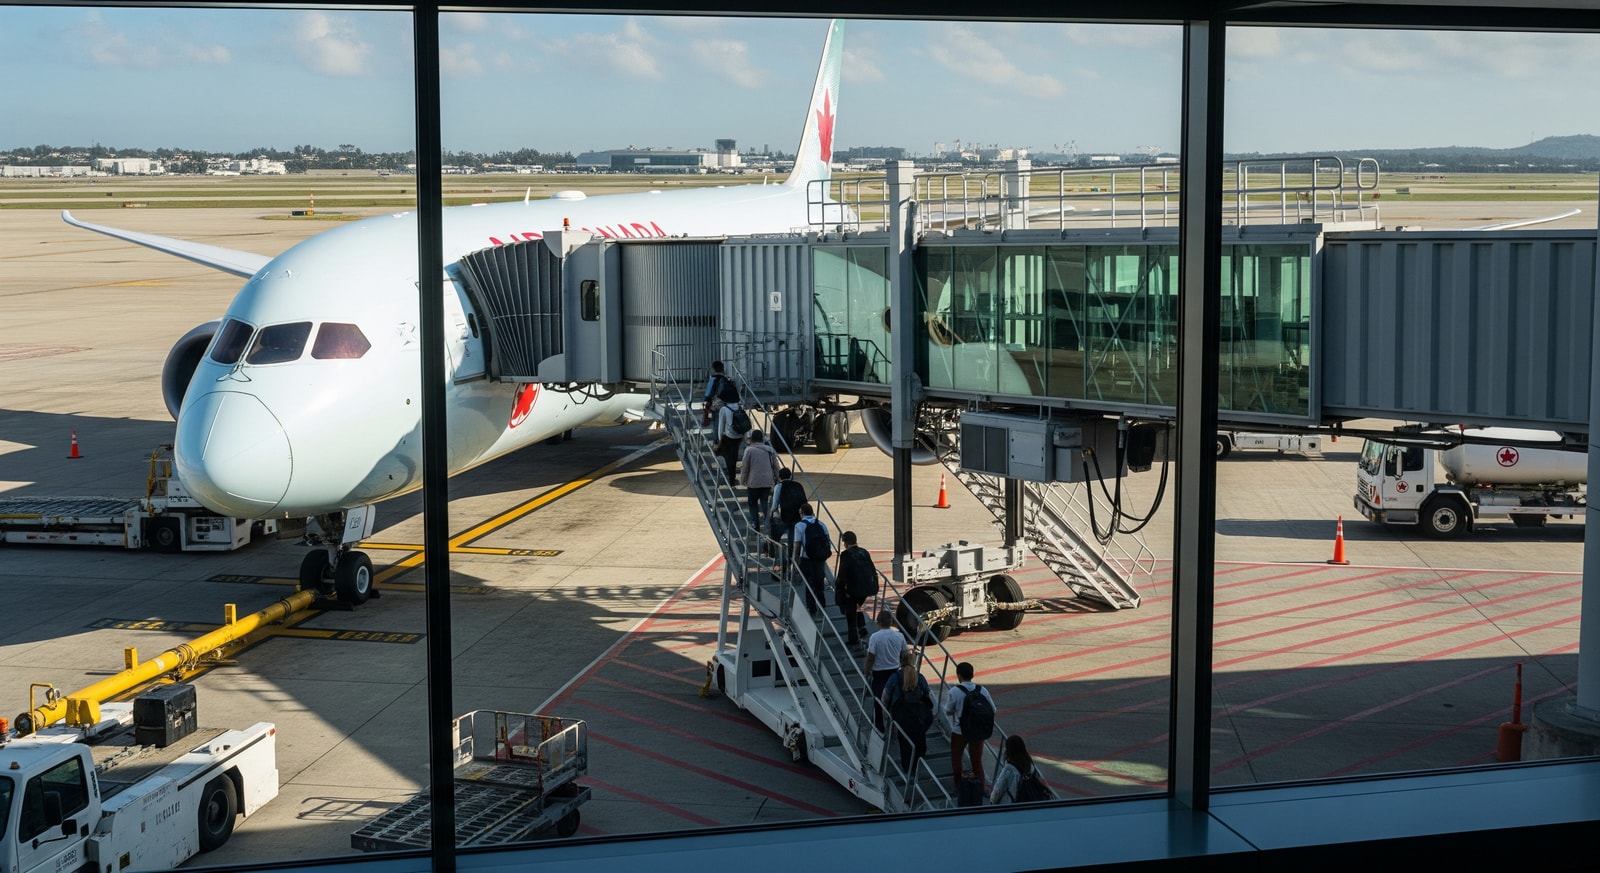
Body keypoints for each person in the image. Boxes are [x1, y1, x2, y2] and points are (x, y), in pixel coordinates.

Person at [945, 661, 996, 790]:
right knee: (977, 761)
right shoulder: (982, 690)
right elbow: (993, 709)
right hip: (978, 731)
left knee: (957, 760)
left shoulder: (954, 691)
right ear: (972, 675)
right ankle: (981, 786)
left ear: (959, 675)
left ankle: (959, 787)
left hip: (959, 731)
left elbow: (948, 710)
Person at [882, 648, 931, 776]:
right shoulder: (919, 677)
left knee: (905, 743)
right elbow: (928, 695)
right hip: (919, 715)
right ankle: (917, 764)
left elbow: (885, 696)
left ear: (900, 662)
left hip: (901, 716)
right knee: (919, 740)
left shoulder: (895, 677)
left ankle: (907, 768)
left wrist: (886, 713)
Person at [833, 530, 875, 649]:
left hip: (852, 590)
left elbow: (842, 574)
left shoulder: (846, 555)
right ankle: (862, 627)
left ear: (845, 543)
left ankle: (853, 639)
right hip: (865, 589)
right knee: (857, 606)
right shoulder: (864, 552)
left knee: (850, 613)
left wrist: (842, 589)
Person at [863, 610, 905, 728]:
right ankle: (895, 725)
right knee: (894, 698)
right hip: (895, 671)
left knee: (879, 700)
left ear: (878, 622)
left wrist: (866, 670)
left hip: (880, 673)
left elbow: (871, 657)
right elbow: (906, 654)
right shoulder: (899, 636)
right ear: (891, 622)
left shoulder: (875, 637)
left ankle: (880, 726)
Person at [791, 502, 831, 615]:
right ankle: (822, 605)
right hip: (820, 558)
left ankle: (811, 608)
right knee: (819, 582)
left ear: (802, 513)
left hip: (807, 559)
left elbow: (797, 545)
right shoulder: (821, 524)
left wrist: (795, 560)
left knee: (809, 583)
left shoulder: (799, 526)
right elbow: (827, 540)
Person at [738, 430, 781, 529]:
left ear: (752, 439)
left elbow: (745, 467)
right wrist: (777, 478)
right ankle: (768, 521)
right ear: (762, 438)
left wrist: (743, 480)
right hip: (767, 481)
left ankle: (756, 524)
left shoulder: (749, 450)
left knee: (752, 504)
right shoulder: (769, 450)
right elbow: (775, 466)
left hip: (753, 482)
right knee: (765, 501)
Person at [990, 734, 1046, 805]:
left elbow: (997, 791)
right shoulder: (1030, 764)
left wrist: (992, 802)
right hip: (1029, 802)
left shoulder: (1009, 769)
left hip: (1012, 805)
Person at [714, 386, 746, 483]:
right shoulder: (739, 406)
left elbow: (721, 425)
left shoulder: (724, 409)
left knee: (728, 457)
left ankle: (731, 477)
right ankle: (733, 475)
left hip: (728, 436)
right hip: (739, 436)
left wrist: (720, 439)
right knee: (734, 455)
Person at [770, 468, 805, 556]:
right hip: (797, 517)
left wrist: (771, 515)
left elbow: (774, 505)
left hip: (785, 517)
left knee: (775, 535)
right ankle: (790, 558)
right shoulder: (798, 485)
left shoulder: (779, 486)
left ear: (780, 477)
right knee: (792, 539)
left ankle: (773, 551)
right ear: (791, 476)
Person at [701, 360, 726, 426]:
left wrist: (705, 400)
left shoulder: (713, 379)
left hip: (715, 405)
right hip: (725, 404)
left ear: (714, 369)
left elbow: (708, 393)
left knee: (716, 424)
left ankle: (716, 436)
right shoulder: (725, 379)